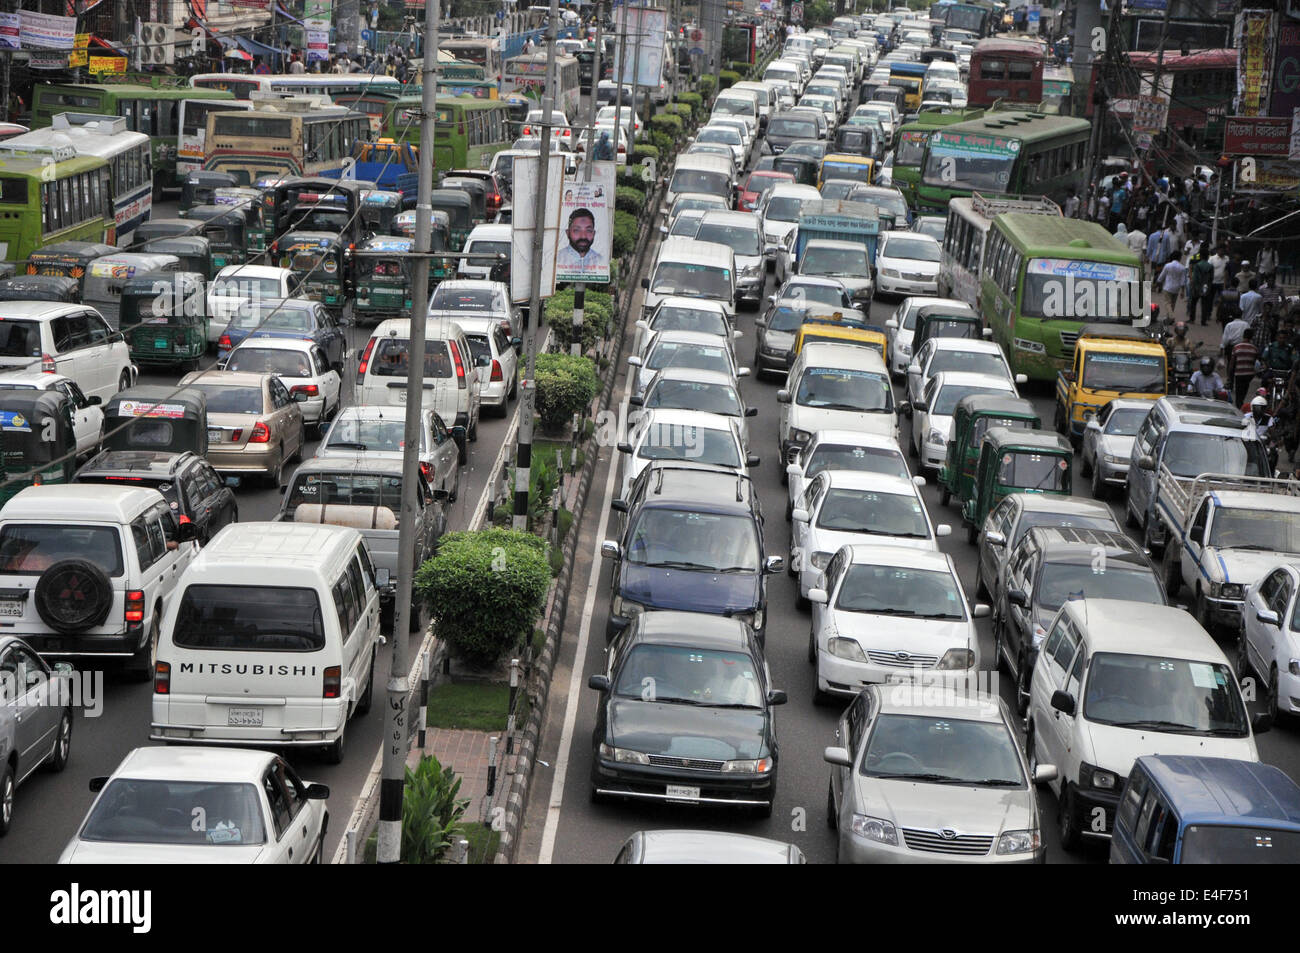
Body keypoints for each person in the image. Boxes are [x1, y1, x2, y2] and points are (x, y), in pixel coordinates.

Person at [556, 207, 605, 272]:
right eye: (577, 230)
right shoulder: (557, 259)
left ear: (594, 233)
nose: (583, 236)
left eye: (588, 230)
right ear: (568, 233)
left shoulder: (600, 260)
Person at [1231, 328, 1260, 407]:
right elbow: (1254, 363)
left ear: (1243, 335)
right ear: (1252, 337)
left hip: (1239, 373)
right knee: (1244, 390)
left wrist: (1230, 376)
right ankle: (1240, 403)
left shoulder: (1236, 347)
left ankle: (1239, 405)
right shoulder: (1254, 348)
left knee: (1238, 391)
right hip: (1249, 374)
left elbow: (1232, 363)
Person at [1158, 254, 1187, 319]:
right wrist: (1182, 291)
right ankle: (1169, 318)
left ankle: (1171, 316)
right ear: (1179, 258)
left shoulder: (1167, 265)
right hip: (1176, 288)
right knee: (1173, 304)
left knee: (1167, 303)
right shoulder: (1182, 267)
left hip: (1167, 287)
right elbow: (1183, 281)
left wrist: (1158, 282)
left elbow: (1162, 276)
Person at [1190, 252, 1215, 326]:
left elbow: (1195, 278)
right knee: (1204, 304)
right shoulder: (1210, 266)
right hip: (1205, 287)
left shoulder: (1197, 265)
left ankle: (1192, 319)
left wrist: (1194, 286)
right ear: (1207, 257)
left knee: (1193, 303)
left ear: (1200, 257)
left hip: (1197, 286)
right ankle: (1203, 321)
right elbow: (1211, 278)